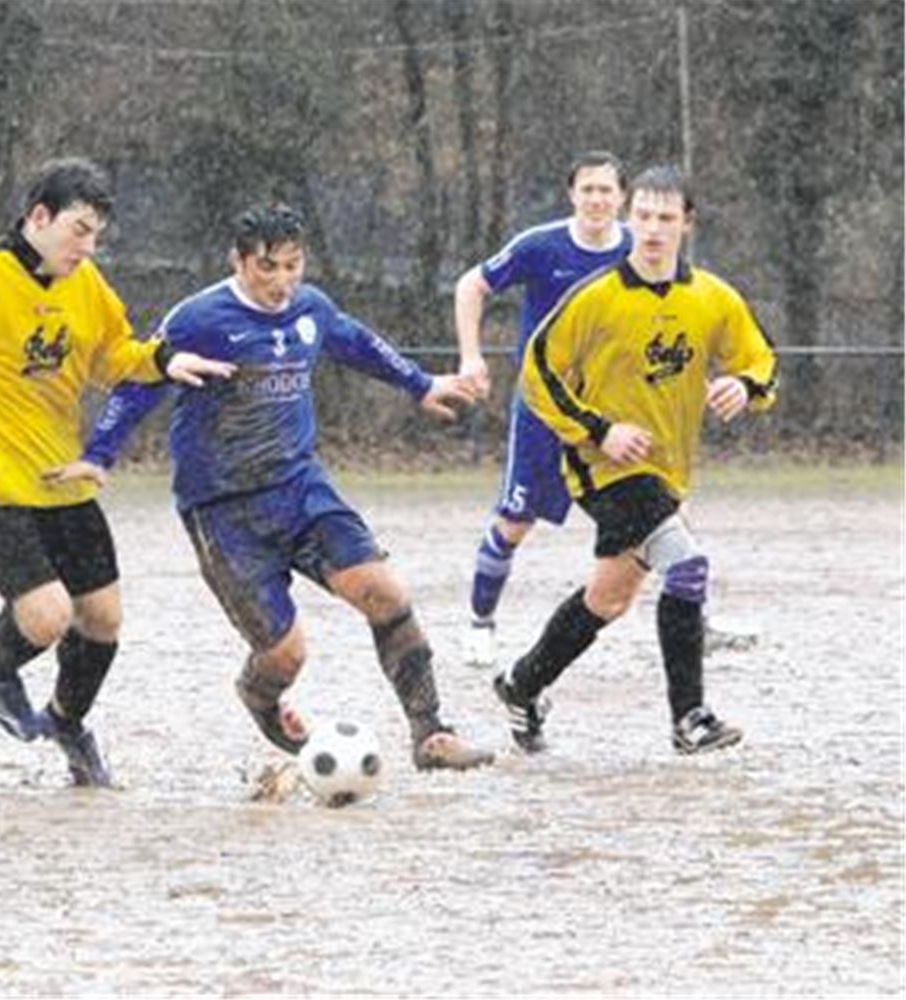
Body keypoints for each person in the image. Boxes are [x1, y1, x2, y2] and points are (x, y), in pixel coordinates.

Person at [64, 203, 494, 772]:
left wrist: (420, 384)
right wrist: (99, 454)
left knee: (385, 594)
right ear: (239, 261)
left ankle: (430, 734)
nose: (283, 281)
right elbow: (139, 382)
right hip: (222, 509)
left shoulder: (309, 307)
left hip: (300, 487)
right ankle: (260, 696)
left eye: (293, 265)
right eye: (268, 267)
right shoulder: (200, 319)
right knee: (285, 654)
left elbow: (354, 342)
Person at [0, 157, 235, 786]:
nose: (87, 247)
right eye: (79, 230)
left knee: (105, 618)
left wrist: (164, 360)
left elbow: (113, 354)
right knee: (46, 616)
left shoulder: (85, 284)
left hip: (60, 477)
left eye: (96, 235)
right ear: (39, 217)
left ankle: (67, 721)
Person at [495, 164, 777, 755]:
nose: (652, 229)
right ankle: (690, 718)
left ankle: (522, 686)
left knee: (609, 598)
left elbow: (761, 359)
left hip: (666, 471)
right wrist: (599, 429)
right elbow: (536, 372)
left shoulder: (712, 299)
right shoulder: (595, 299)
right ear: (630, 219)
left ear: (687, 224)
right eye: (643, 216)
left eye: (666, 218)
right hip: (603, 469)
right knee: (688, 565)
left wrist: (745, 387)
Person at [455, 151, 631, 667]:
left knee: (661, 507)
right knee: (515, 520)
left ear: (621, 198)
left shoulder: (639, 250)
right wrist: (471, 355)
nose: (597, 199)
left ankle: (695, 613)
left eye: (607, 190)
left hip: (614, 412)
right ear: (572, 194)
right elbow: (472, 284)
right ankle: (480, 622)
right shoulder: (540, 246)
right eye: (588, 189)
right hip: (545, 408)